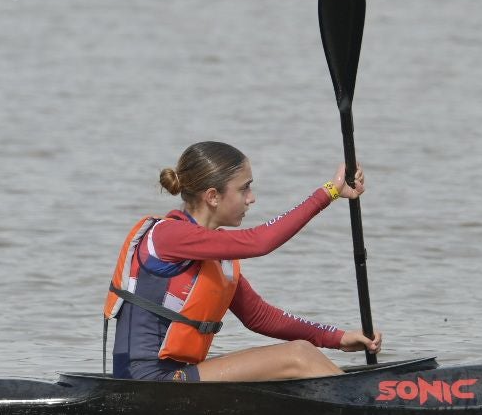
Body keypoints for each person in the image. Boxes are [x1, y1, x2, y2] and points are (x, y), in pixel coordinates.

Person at [105, 141, 383, 381]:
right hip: (147, 383)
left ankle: (361, 399)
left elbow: (260, 316)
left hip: (177, 378)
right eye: (244, 189)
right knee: (299, 355)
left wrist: (338, 338)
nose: (251, 199)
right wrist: (329, 192)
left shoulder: (213, 255)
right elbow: (260, 242)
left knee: (301, 355)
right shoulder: (169, 235)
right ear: (212, 196)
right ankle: (370, 407)